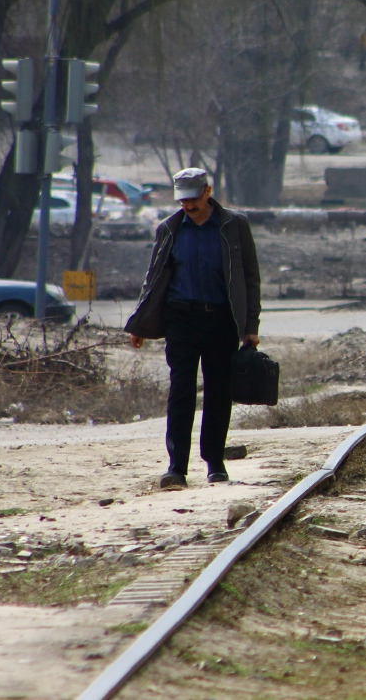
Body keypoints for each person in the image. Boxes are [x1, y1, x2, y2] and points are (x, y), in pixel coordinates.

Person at [125, 168, 261, 490]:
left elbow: (250, 277)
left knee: (218, 391)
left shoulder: (235, 225)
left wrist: (250, 326)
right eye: (183, 200)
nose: (188, 206)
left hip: (222, 319)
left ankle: (215, 463)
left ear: (208, 192)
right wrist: (140, 322)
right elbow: (153, 278)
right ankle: (177, 468)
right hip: (181, 318)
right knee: (181, 391)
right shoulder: (169, 229)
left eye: (193, 199)